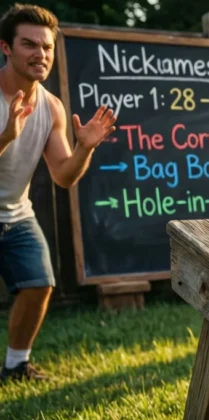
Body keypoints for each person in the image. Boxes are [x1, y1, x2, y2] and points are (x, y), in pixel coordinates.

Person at [0, 4, 116, 382]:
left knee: (39, 283)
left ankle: (16, 365)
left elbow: (64, 176)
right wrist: (6, 137)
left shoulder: (51, 107)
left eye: (47, 47)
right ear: (6, 48)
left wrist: (85, 148)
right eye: (29, 45)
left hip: (16, 215)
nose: (41, 54)